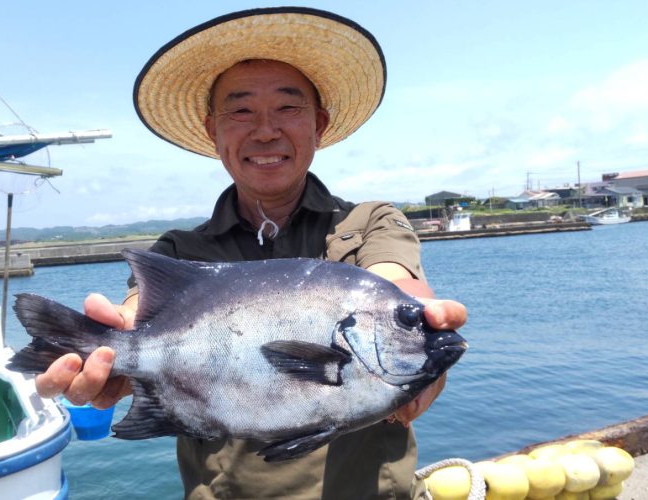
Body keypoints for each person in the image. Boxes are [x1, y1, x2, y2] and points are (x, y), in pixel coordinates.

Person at [37, 7, 468, 499]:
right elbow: (136, 314)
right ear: (212, 130)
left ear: (319, 124)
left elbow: (397, 285)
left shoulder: (371, 222)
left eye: (288, 107)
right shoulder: (179, 251)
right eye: (240, 111)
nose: (265, 131)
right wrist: (112, 348)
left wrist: (419, 326)